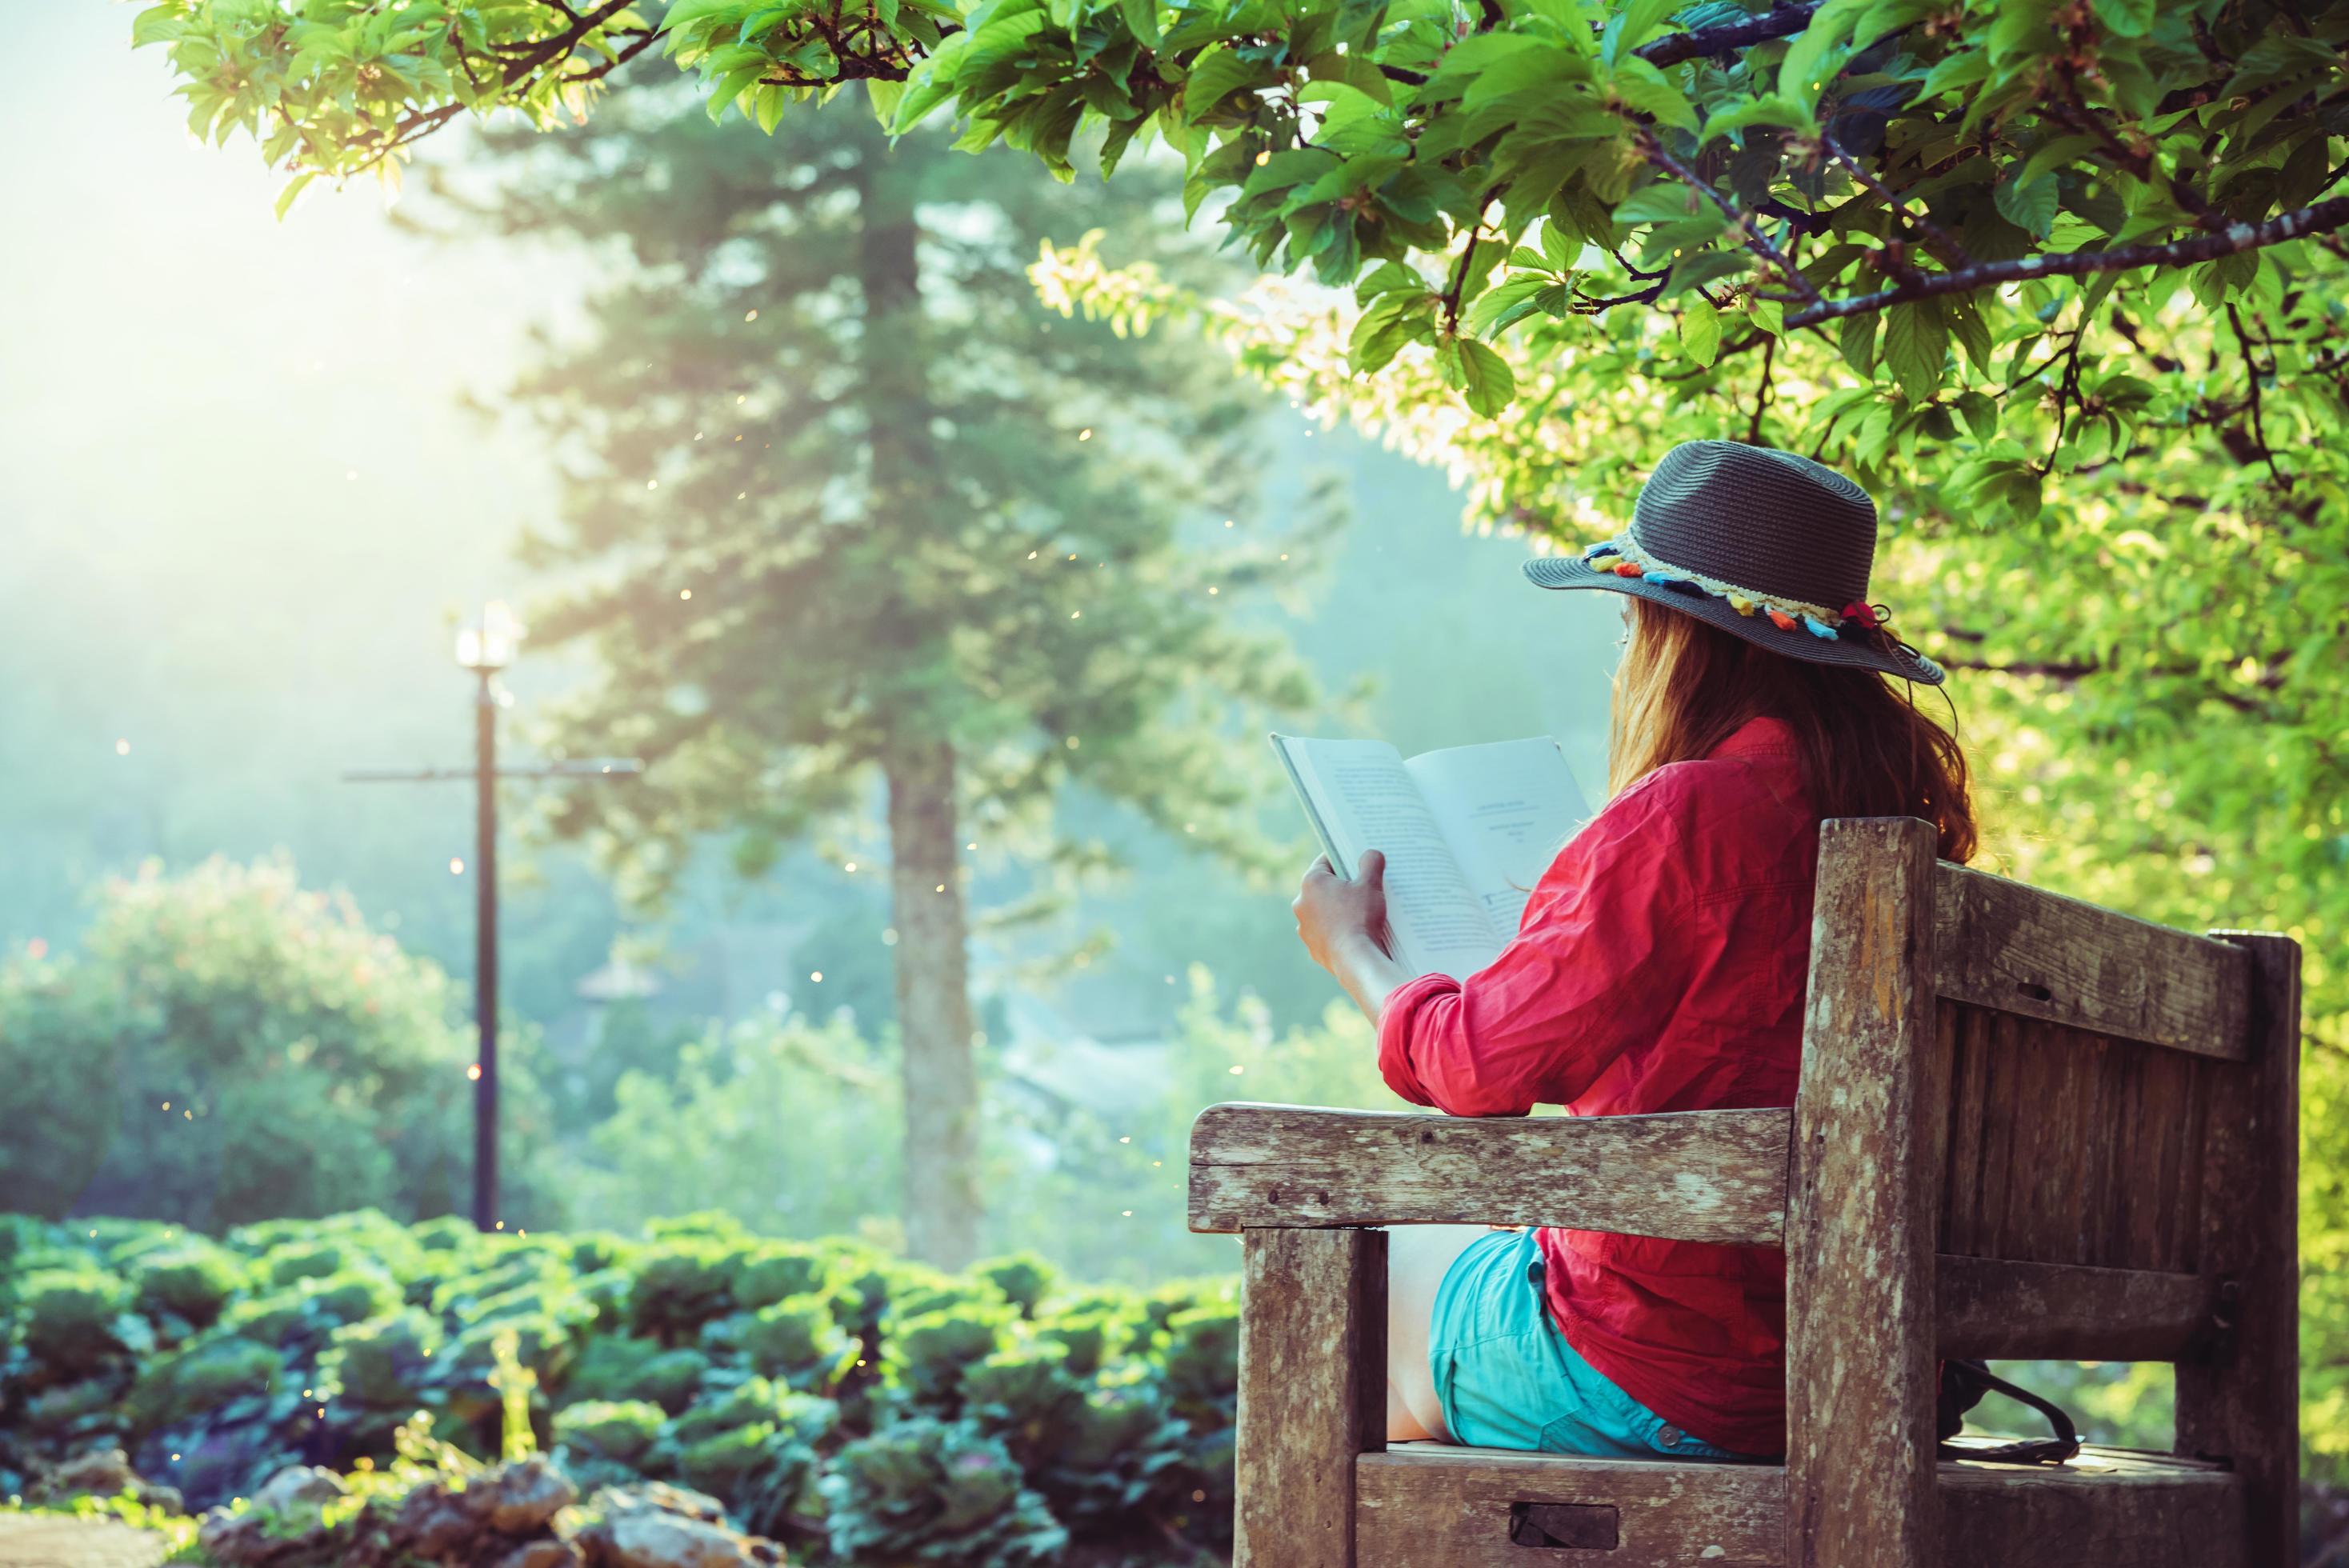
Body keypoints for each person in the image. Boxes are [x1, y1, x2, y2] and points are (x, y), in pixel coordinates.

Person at [1290, 439, 1975, 1463]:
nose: (1625, 660)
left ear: (1679, 639)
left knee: (1363, 1283)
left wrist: (1353, 950)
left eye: (1628, 627)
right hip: (1880, 1362)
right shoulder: (1897, 825)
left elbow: (1473, 1064)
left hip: (1683, 1369)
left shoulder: (1693, 811)